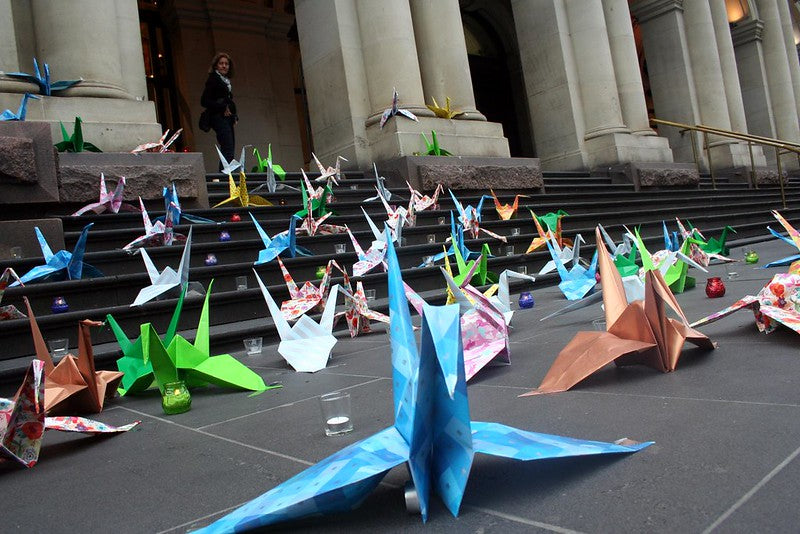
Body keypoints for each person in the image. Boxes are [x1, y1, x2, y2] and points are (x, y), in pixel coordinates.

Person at [201, 52, 237, 171]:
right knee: (227, 147)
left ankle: (227, 174)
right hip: (218, 118)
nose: (224, 66)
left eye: (226, 64)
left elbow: (229, 101)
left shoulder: (225, 81)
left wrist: (234, 115)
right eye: (221, 63)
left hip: (227, 118)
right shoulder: (213, 80)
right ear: (216, 65)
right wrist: (222, 107)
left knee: (230, 148)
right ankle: (224, 177)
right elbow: (204, 101)